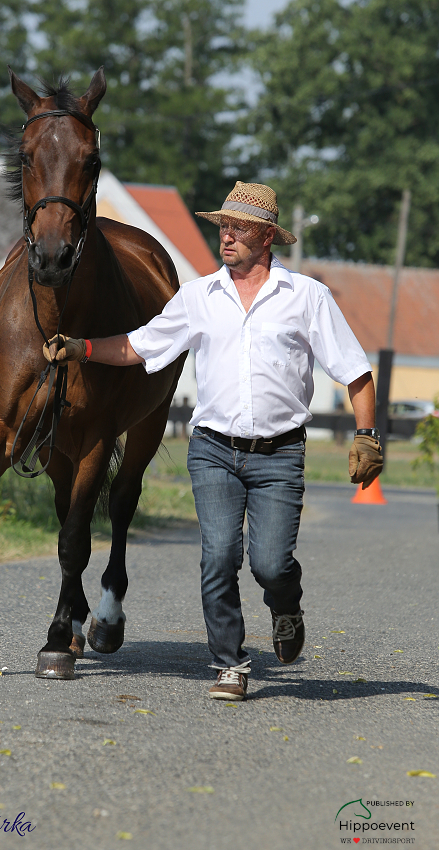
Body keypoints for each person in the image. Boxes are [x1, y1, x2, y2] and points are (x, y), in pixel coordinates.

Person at [43, 182, 383, 701]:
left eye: (239, 228)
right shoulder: (199, 297)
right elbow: (139, 346)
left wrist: (366, 435)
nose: (226, 236)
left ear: (266, 237)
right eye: (223, 226)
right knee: (219, 557)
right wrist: (82, 348)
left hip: (280, 453)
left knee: (271, 564)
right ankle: (230, 664)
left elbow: (355, 371)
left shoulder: (306, 297)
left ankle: (286, 607)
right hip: (213, 450)